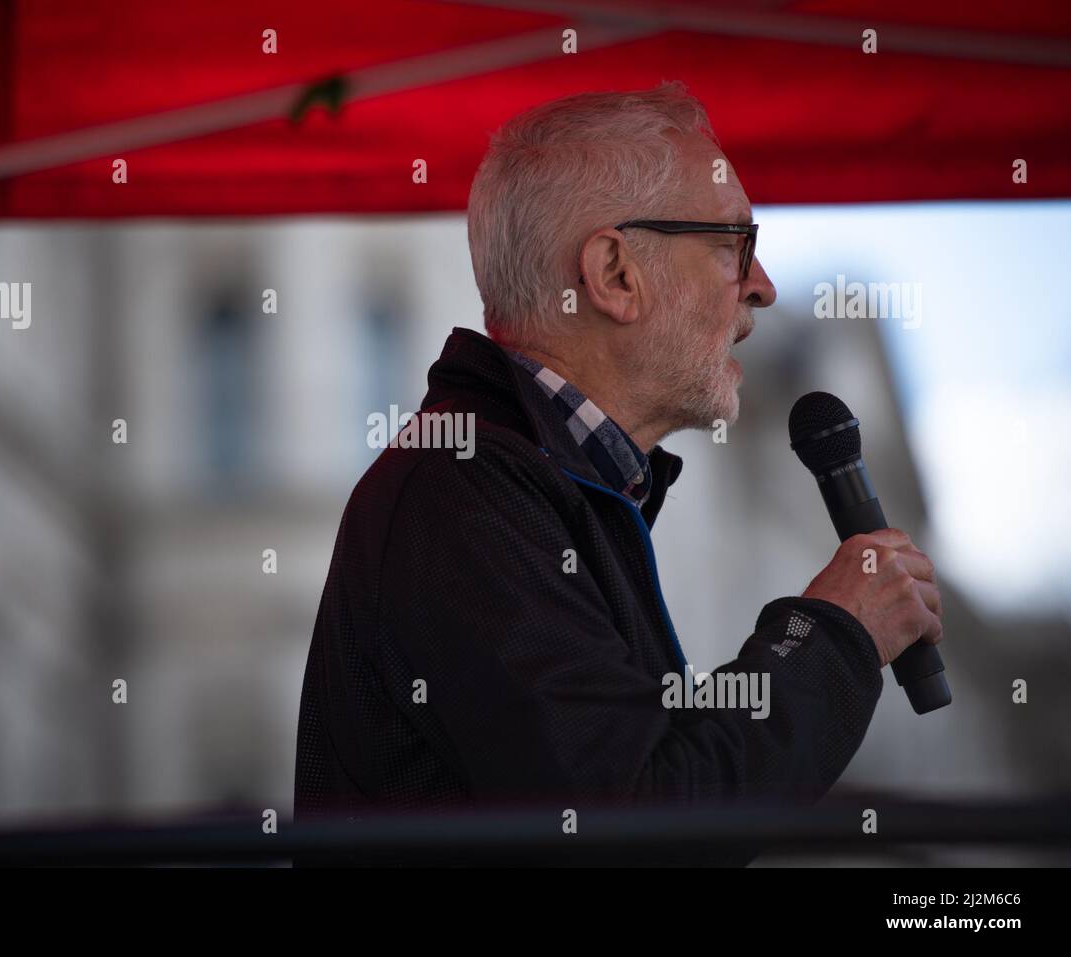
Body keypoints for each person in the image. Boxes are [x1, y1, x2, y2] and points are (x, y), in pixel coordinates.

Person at [293, 83, 944, 861]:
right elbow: (639, 827)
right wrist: (836, 632)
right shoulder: (466, 497)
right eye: (735, 242)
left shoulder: (534, 484)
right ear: (615, 273)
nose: (763, 285)